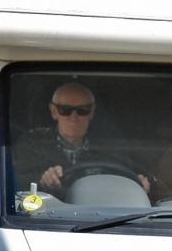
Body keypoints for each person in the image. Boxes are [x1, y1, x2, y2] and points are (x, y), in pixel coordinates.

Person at [10, 81, 147, 199]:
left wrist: (137, 186)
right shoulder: (33, 144)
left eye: (83, 110)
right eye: (65, 110)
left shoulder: (111, 148)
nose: (74, 117)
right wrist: (44, 182)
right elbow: (21, 189)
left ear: (92, 112)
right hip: (46, 220)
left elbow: (123, 181)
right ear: (54, 111)